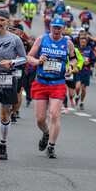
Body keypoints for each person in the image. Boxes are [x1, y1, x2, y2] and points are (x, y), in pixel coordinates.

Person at [27, 17, 77, 158]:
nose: (56, 30)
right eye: (54, 27)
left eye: (59, 28)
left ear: (63, 29)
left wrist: (70, 67)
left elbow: (73, 58)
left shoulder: (68, 43)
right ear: (50, 27)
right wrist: (38, 61)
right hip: (41, 82)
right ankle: (46, 133)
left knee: (54, 115)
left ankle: (51, 147)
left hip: (58, 83)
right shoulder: (42, 39)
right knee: (40, 119)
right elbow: (29, 57)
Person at [0, 9, 27, 160]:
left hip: (9, 78)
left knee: (5, 115)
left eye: (2, 20)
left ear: (8, 22)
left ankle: (2, 145)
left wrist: (11, 62)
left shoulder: (15, 39)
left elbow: (24, 58)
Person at [9, 23, 30, 122]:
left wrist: (22, 57)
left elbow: (29, 56)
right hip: (9, 68)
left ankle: (14, 112)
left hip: (20, 69)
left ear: (20, 32)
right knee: (8, 90)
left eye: (14, 30)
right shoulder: (8, 41)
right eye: (11, 30)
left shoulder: (25, 43)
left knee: (18, 92)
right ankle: (9, 108)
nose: (12, 31)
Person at [74, 37, 95, 110]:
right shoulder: (76, 49)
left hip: (86, 71)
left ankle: (81, 102)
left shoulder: (89, 50)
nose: (83, 43)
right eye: (82, 42)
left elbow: (93, 59)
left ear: (86, 42)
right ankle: (77, 96)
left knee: (83, 89)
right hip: (78, 70)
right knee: (77, 86)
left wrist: (89, 63)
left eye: (84, 42)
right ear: (79, 42)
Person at [62, 47, 84, 114]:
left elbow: (81, 60)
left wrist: (78, 67)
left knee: (71, 93)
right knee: (63, 91)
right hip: (62, 72)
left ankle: (71, 98)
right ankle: (65, 107)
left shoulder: (75, 50)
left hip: (72, 73)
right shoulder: (60, 49)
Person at [25, 35, 37, 107]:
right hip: (26, 70)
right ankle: (28, 95)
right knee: (26, 86)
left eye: (32, 40)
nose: (30, 41)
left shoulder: (36, 49)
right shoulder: (25, 48)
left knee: (30, 85)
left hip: (33, 70)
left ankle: (28, 100)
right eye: (29, 40)